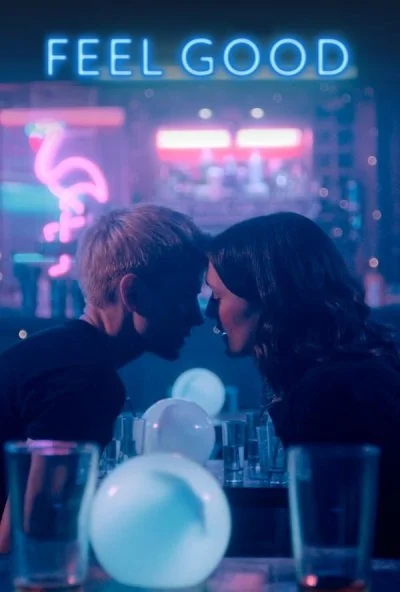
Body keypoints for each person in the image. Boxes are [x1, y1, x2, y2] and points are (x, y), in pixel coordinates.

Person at [0, 205, 207, 550]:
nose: (196, 318)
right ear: (133, 294)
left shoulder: (61, 355)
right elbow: (29, 540)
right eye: (184, 298)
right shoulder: (84, 380)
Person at [206, 212, 400, 558]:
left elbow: (338, 540)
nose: (209, 312)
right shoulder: (347, 374)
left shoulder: (329, 394)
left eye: (218, 297)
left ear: (265, 294)